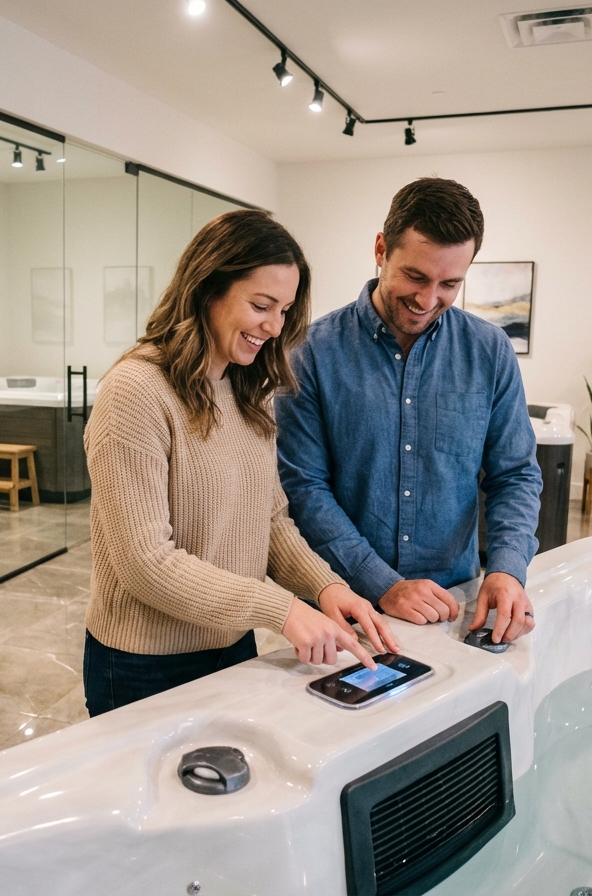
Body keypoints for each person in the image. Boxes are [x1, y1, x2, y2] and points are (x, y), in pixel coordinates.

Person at [83, 209, 398, 717]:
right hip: (143, 664)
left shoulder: (247, 390)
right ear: (209, 288)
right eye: (261, 306)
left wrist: (327, 586)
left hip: (232, 648)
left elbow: (270, 520)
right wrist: (283, 609)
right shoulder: (135, 392)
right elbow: (145, 564)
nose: (274, 328)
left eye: (285, 310)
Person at [275, 178, 541, 645]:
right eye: (415, 276)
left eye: (450, 283)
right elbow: (304, 487)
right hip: (349, 609)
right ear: (381, 249)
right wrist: (384, 584)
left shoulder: (490, 350)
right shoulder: (310, 352)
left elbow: (515, 474)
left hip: (456, 604)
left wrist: (507, 569)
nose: (427, 299)